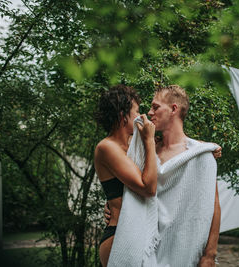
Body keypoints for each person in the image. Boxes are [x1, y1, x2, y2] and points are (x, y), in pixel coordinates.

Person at [104, 85, 221, 266]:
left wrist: (210, 254)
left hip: (180, 248)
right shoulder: (144, 151)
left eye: (155, 107)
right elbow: (131, 191)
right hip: (145, 249)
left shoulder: (201, 155)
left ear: (174, 109)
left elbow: (212, 205)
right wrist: (117, 205)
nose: (150, 113)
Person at [94, 84, 157, 267]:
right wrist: (149, 140)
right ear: (123, 115)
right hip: (119, 236)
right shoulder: (107, 147)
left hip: (141, 233)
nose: (140, 117)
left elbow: (173, 147)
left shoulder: (133, 146)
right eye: (136, 112)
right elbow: (148, 188)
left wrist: (206, 148)